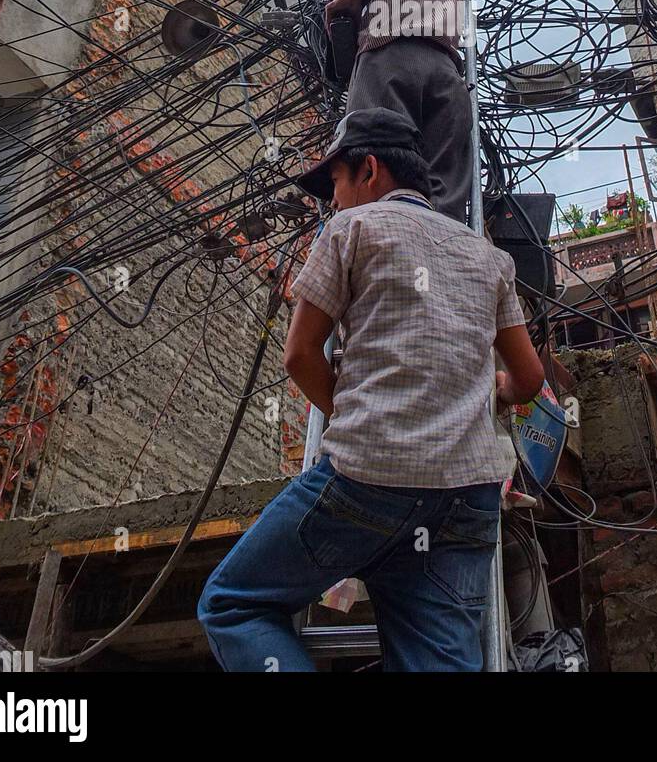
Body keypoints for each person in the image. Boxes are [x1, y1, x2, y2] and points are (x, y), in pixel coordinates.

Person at [197, 108, 544, 672]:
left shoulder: (350, 230)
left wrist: (357, 413)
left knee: (233, 604)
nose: (332, 201)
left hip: (369, 477)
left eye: (335, 183)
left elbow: (300, 354)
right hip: (467, 492)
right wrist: (488, 390)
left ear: (371, 170)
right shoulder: (491, 259)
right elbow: (528, 380)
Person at [312, 0, 473, 223]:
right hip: (445, 71)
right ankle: (441, 249)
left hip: (391, 61)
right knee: (444, 188)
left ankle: (378, 242)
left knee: (372, 156)